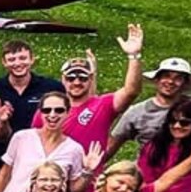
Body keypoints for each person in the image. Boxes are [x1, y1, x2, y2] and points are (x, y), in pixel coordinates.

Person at [39, 28, 145, 158]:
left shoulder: (103, 105)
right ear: (63, 79)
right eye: (71, 78)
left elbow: (131, 91)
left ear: (91, 79)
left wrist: (134, 56)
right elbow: (35, 142)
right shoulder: (49, 109)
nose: (76, 82)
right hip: (52, 175)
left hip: (89, 174)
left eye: (83, 78)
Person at [0, 40, 65, 192]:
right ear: (4, 62)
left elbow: (69, 115)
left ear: (32, 59)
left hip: (36, 163)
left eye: (22, 58)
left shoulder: (50, 87)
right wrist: (2, 121)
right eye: (12, 59)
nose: (18, 63)